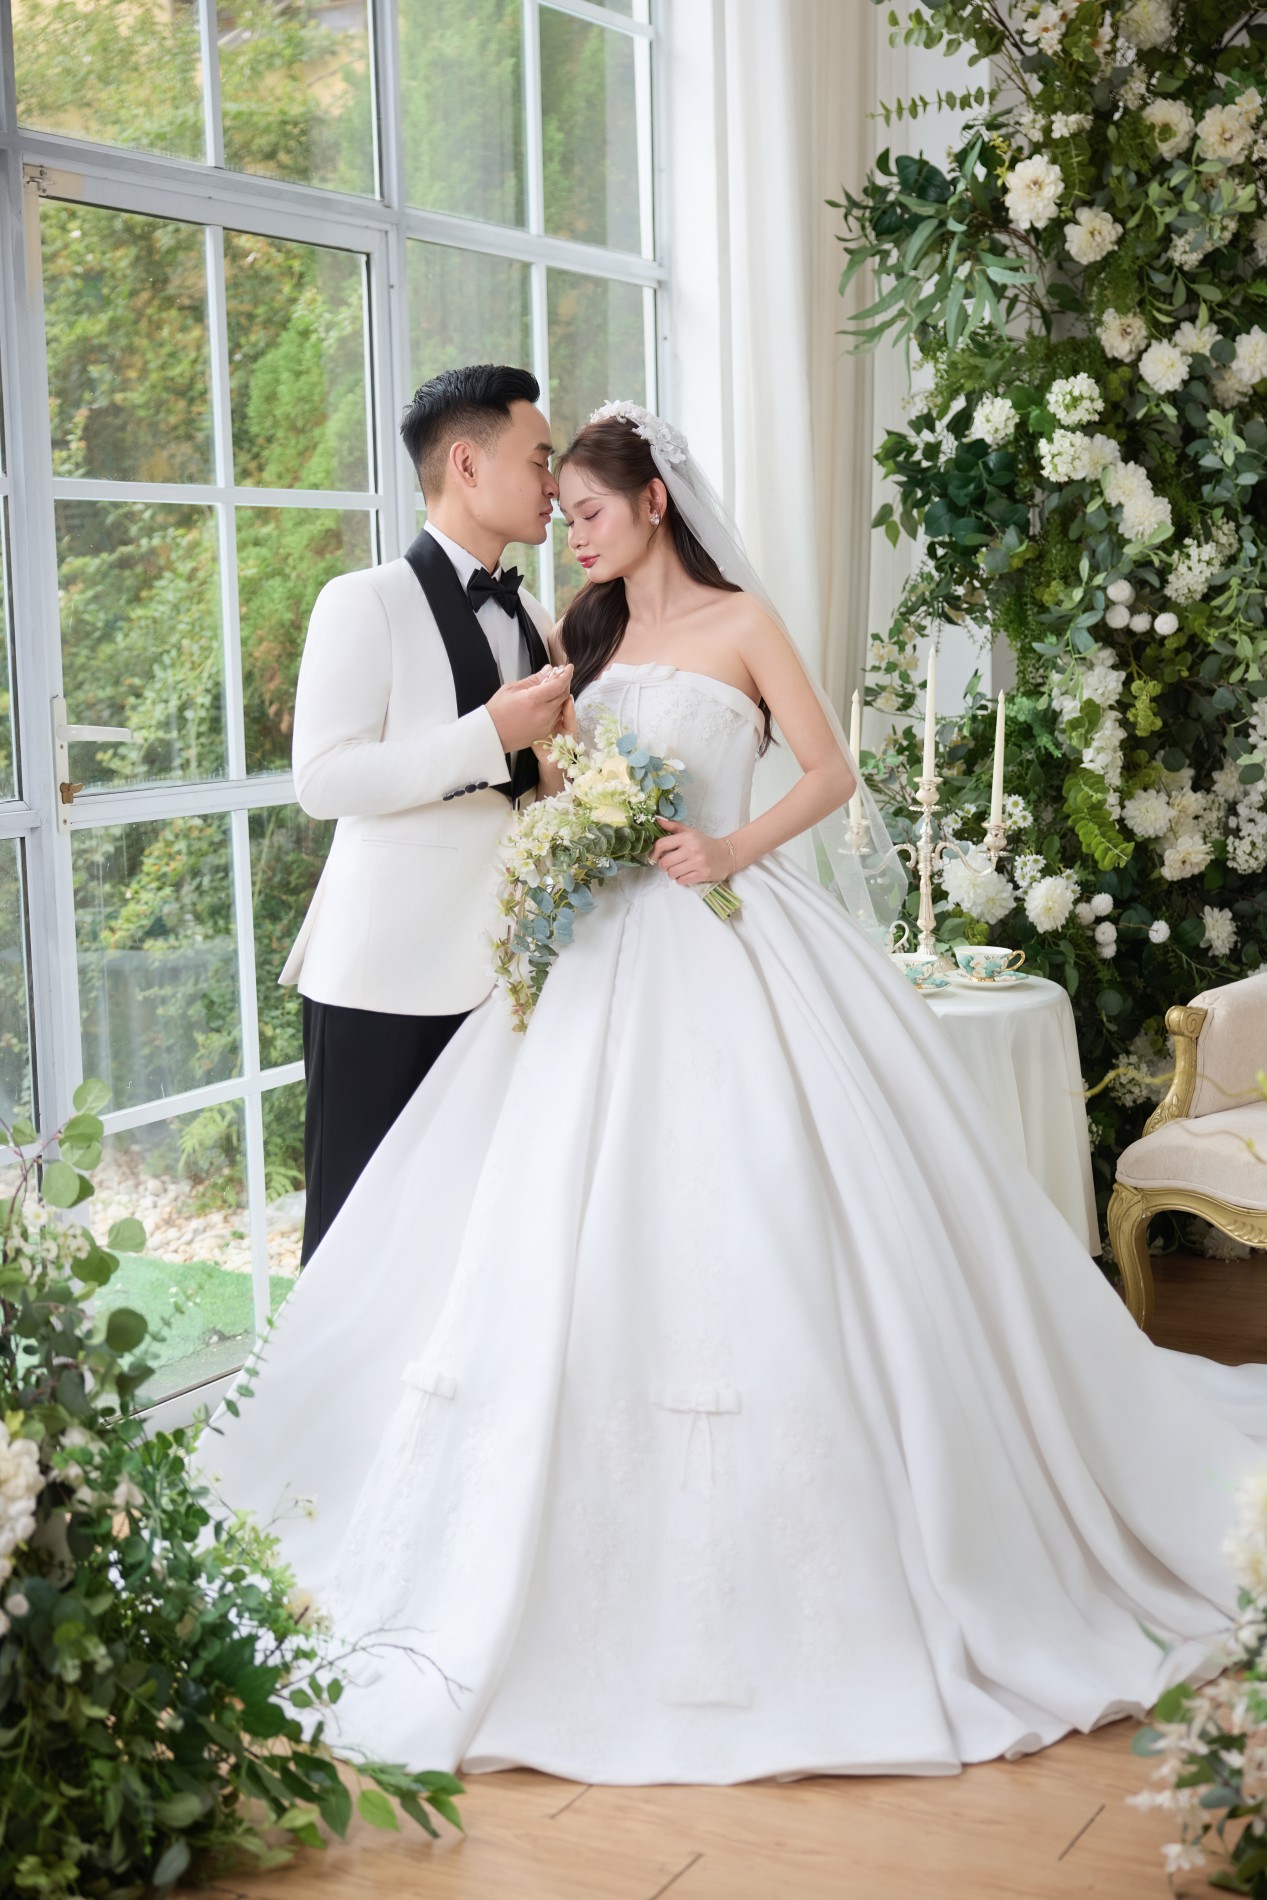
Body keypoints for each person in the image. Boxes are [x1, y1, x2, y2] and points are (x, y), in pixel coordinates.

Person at [201, 402, 1267, 1788]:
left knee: (759, 1211)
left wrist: (726, 848)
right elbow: (545, 777)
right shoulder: (575, 635)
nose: (572, 532)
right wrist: (576, 827)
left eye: (588, 510)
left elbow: (827, 773)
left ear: (653, 500)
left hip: (726, 933)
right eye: (560, 511)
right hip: (595, 959)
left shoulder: (742, 621)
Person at [280, 364, 574, 1262]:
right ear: (467, 465)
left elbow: (534, 790)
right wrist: (487, 735)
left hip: (506, 979)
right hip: (383, 978)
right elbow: (321, 779)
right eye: (540, 458)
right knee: (354, 1244)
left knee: (468, 1249)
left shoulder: (532, 610)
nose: (555, 483)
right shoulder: (361, 599)